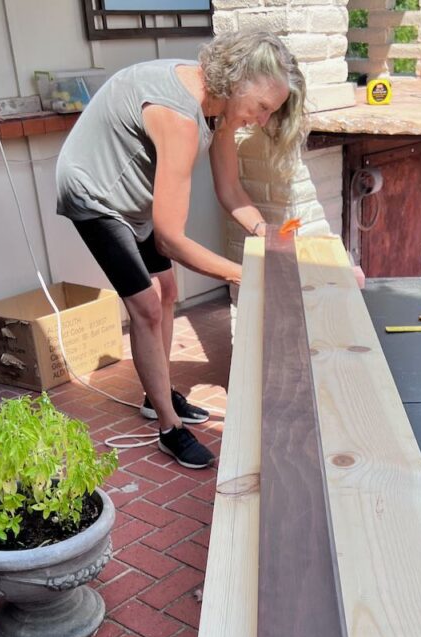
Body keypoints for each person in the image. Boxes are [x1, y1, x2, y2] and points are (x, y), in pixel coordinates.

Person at [56, 31, 306, 469]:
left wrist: (267, 233)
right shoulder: (179, 117)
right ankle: (169, 428)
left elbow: (230, 190)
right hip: (93, 194)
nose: (264, 120)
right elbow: (170, 238)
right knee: (147, 306)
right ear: (237, 82)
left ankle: (158, 395)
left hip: (134, 196)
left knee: (168, 290)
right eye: (264, 108)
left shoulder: (221, 108)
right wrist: (242, 274)